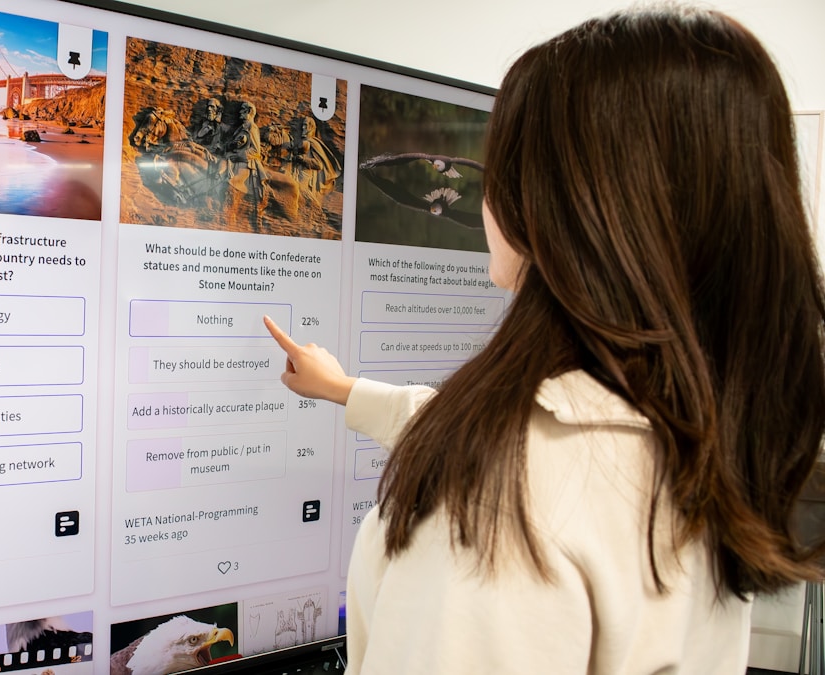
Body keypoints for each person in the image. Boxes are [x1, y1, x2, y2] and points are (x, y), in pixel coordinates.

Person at [265, 6, 825, 673]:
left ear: (564, 203)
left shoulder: (501, 498)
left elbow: (528, 459)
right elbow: (541, 438)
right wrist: (344, 390)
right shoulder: (692, 423)